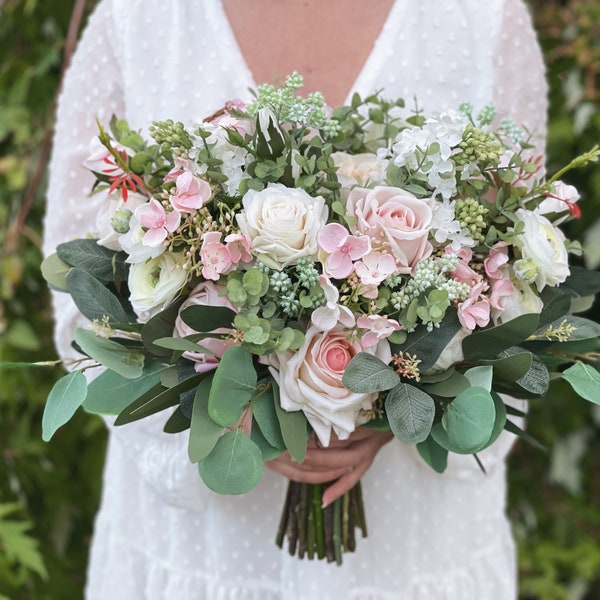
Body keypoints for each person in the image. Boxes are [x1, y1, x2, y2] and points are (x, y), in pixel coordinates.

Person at [43, 0, 548, 598]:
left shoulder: (482, 18)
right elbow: (85, 303)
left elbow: (522, 279)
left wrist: (391, 410)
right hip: (206, 543)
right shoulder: (137, 19)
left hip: (409, 539)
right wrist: (236, 413)